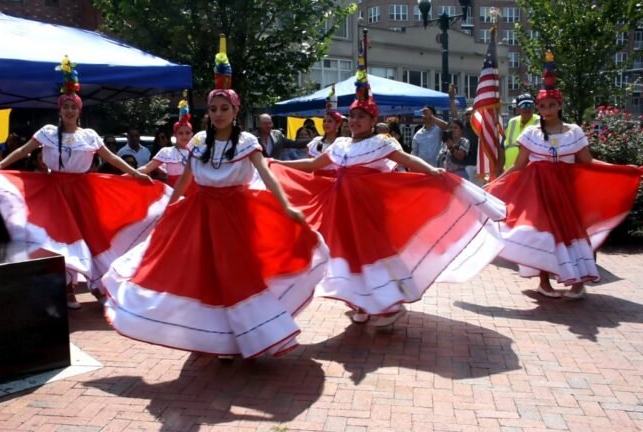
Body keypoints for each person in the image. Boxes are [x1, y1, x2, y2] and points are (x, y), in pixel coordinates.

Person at [102, 36, 327, 359]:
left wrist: (287, 206)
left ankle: (247, 335)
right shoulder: (197, 142)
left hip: (237, 214)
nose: (218, 114)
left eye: (224, 108)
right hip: (199, 213)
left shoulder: (247, 141)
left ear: (235, 111)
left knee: (236, 273)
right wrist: (170, 205)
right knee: (202, 272)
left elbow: (266, 175)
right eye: (213, 108)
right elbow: (187, 181)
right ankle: (214, 336)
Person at [270, 49, 505, 326]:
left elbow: (406, 159)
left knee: (375, 257)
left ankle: (391, 305)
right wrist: (276, 164)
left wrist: (430, 170)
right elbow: (313, 165)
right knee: (345, 256)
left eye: (361, 117)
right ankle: (359, 302)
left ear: (372, 121)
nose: (355, 121)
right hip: (342, 213)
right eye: (352, 117)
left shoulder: (382, 142)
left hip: (370, 212)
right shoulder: (341, 145)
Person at [0, 56, 168, 309]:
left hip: (83, 191)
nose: (70, 111)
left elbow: (112, 157)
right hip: (54, 191)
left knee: (92, 237)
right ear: (59, 110)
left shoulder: (90, 136)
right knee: (60, 240)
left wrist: (136, 173)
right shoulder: (48, 133)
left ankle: (99, 285)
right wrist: (0, 165)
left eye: (74, 107)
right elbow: (22, 151)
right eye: (66, 107)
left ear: (79, 110)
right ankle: (69, 289)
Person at [486, 51, 643, 299]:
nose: (546, 110)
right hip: (538, 195)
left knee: (572, 234)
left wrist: (621, 170)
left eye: (551, 105)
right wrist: (495, 183)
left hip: (566, 194)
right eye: (543, 106)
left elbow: (588, 162)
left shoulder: (574, 132)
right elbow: (518, 166)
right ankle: (544, 283)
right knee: (542, 237)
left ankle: (577, 283)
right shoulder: (532, 134)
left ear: (560, 105)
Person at [138, 94, 193, 187]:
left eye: (187, 133)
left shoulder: (198, 151)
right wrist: (127, 175)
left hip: (195, 194)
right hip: (174, 193)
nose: (185, 136)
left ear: (192, 134)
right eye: (181, 133)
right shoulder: (167, 152)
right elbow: (147, 168)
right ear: (174, 135)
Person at [502, 93, 540, 171]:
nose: (527, 108)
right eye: (523, 105)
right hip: (509, 171)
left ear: (534, 107)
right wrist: (498, 170)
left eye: (530, 105)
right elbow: (502, 147)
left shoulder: (540, 121)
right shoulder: (512, 122)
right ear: (517, 109)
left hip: (530, 172)